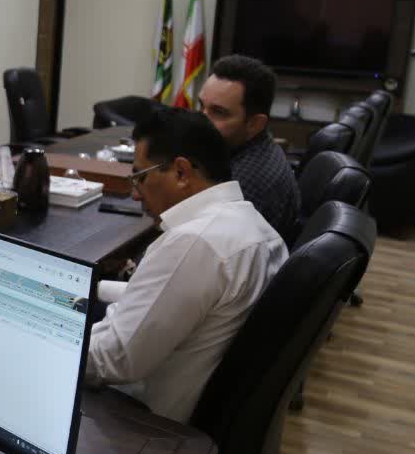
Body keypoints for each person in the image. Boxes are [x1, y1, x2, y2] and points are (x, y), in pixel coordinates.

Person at [85, 109, 288, 422]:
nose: (135, 194)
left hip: (144, 420)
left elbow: (113, 359)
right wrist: (93, 288)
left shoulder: (195, 242)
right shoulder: (254, 225)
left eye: (140, 177)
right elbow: (167, 297)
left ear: (181, 172)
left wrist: (48, 342)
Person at [197, 54, 301, 244]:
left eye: (218, 112)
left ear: (254, 124)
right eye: (201, 106)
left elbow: (203, 248)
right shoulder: (257, 149)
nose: (200, 121)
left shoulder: (241, 189)